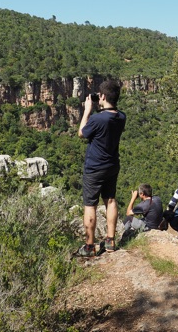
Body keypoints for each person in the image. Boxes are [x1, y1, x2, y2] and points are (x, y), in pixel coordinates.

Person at [76, 79, 126, 257]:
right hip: (112, 165)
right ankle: (110, 241)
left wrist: (87, 110)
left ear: (102, 96)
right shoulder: (121, 117)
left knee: (90, 205)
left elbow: (81, 133)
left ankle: (89, 247)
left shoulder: (97, 119)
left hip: (95, 167)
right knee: (110, 200)